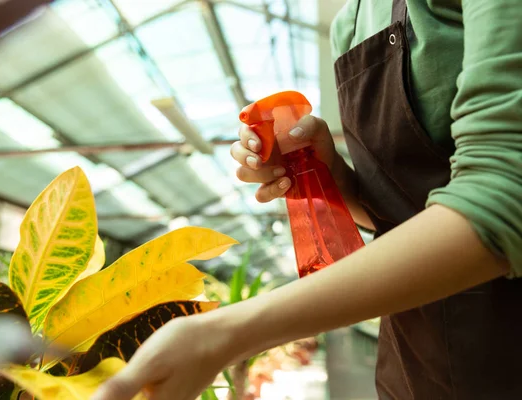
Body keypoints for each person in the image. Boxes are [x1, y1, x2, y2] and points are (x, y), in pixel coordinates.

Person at [93, 0, 522, 399]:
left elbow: (505, 192)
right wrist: (328, 171)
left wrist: (225, 334)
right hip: (411, 366)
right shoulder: (349, 24)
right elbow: (392, 214)